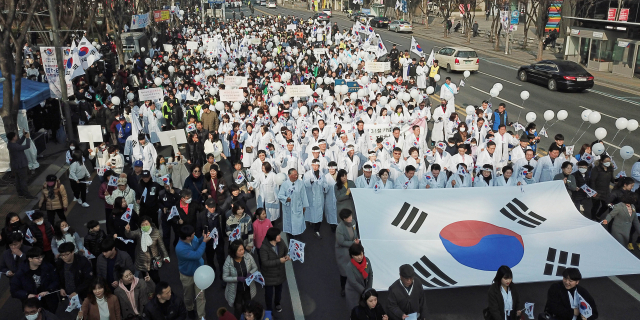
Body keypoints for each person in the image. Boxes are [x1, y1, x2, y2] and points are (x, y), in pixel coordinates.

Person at [175, 225, 211, 319]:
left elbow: (197, 241)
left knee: (201, 297)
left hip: (199, 273)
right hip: (187, 275)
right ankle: (189, 308)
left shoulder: (192, 238)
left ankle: (201, 317)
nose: (194, 235)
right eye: (193, 234)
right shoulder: (180, 248)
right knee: (188, 296)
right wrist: (204, 242)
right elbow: (197, 255)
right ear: (187, 237)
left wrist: (202, 238)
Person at [10, 247, 60, 314]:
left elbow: (56, 280)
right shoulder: (21, 272)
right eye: (37, 258)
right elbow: (14, 290)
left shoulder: (48, 267)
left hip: (49, 301)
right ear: (30, 259)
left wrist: (48, 290)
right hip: (32, 304)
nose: (41, 259)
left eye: (41, 257)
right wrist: (27, 295)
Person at [125, 215, 169, 284]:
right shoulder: (138, 232)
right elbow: (130, 235)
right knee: (146, 278)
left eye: (146, 224)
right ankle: (150, 291)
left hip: (153, 260)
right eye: (143, 225)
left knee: (155, 277)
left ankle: (157, 289)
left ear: (150, 224)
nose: (145, 226)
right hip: (142, 260)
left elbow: (161, 245)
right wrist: (127, 231)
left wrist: (166, 256)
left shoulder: (156, 232)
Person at [223, 240, 259, 318]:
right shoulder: (228, 261)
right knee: (238, 308)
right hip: (236, 290)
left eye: (243, 249)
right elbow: (225, 277)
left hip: (247, 288)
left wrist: (250, 273)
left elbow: (255, 267)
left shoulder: (248, 257)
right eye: (240, 250)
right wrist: (237, 278)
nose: (243, 251)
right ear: (234, 252)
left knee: (249, 307)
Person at [260, 227, 289, 313]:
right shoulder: (264, 248)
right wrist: (279, 260)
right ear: (273, 238)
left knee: (278, 291)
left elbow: (286, 250)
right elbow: (265, 262)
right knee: (269, 294)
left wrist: (286, 256)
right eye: (278, 235)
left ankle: (277, 303)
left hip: (280, 273)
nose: (280, 236)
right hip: (269, 275)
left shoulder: (281, 242)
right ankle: (269, 308)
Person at [278, 169, 309, 238]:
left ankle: (298, 239)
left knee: (298, 224)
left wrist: (304, 206)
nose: (296, 176)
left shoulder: (301, 183)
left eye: (297, 174)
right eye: (294, 175)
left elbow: (303, 195)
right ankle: (290, 239)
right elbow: (280, 195)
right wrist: (286, 199)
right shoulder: (285, 184)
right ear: (289, 175)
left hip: (298, 207)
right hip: (288, 208)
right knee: (289, 225)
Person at [336, 209, 359, 297]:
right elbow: (341, 242)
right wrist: (353, 243)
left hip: (353, 248)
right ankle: (343, 288)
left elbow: (355, 233)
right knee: (344, 271)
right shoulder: (340, 228)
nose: (350, 218)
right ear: (344, 219)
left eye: (351, 216)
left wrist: (355, 240)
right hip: (344, 251)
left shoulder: (353, 222)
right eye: (348, 217)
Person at [7, 131, 35, 199]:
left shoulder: (10, 144)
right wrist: (28, 138)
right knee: (23, 180)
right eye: (16, 136)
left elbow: (19, 143)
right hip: (21, 165)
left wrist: (23, 136)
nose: (17, 136)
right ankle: (26, 194)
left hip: (15, 165)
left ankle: (20, 193)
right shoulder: (15, 146)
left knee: (18, 179)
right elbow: (27, 146)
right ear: (13, 138)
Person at [345, 243, 373, 309]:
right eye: (356, 255)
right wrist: (365, 292)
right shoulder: (349, 267)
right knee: (355, 309)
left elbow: (370, 274)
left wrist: (369, 289)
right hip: (353, 291)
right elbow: (353, 282)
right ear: (352, 256)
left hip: (365, 289)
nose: (360, 257)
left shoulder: (367, 260)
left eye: (361, 254)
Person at [590, 155, 615, 220]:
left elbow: (612, 179)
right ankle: (593, 218)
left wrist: (619, 179)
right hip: (597, 190)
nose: (608, 162)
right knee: (596, 206)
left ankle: (598, 215)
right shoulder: (596, 169)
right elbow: (592, 180)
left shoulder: (610, 169)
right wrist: (593, 191)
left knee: (606, 205)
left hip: (606, 191)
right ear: (601, 161)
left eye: (609, 161)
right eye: (606, 161)